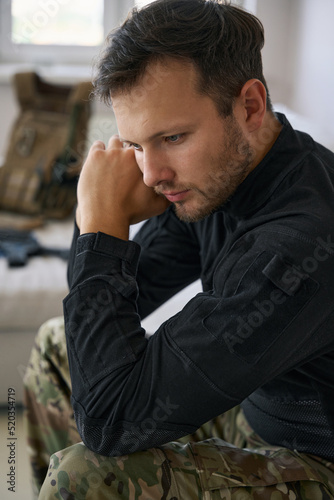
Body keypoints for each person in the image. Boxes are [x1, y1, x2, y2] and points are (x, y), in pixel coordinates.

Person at [23, 0, 334, 498]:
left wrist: (101, 224)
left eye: (172, 136)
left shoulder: (298, 244)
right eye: (137, 145)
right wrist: (98, 229)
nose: (151, 174)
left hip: (317, 461)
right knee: (59, 344)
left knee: (88, 473)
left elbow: (111, 421)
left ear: (250, 106)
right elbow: (100, 311)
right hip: (255, 406)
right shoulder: (214, 179)